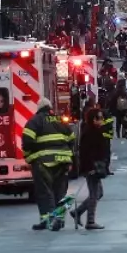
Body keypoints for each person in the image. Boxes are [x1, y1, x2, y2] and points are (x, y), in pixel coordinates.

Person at [22, 98, 75, 230]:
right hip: (62, 161)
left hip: (43, 162)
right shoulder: (60, 121)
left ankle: (49, 220)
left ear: (38, 109)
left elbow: (27, 141)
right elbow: (72, 139)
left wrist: (29, 158)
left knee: (45, 193)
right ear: (50, 108)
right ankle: (60, 219)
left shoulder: (35, 121)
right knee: (61, 193)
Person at [71, 107, 108, 230]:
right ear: (93, 119)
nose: (102, 120)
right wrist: (91, 167)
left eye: (102, 117)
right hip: (92, 168)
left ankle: (78, 211)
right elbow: (86, 153)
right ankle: (90, 221)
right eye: (99, 118)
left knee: (99, 193)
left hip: (96, 167)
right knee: (94, 194)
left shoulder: (96, 131)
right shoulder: (89, 133)